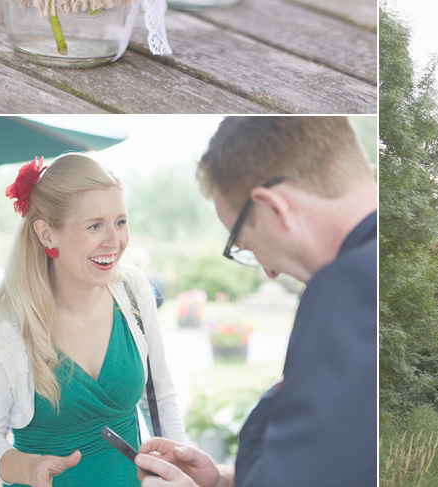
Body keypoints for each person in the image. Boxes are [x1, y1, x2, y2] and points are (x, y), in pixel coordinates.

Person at [132, 116, 377, 487]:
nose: (269, 272)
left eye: (245, 246)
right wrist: (224, 480)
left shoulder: (346, 289)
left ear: (274, 207)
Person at [0, 153, 184, 487]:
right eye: (95, 225)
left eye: (120, 222)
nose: (114, 242)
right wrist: (29, 468)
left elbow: (161, 399)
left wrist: (179, 470)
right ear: (47, 234)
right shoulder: (0, 327)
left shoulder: (133, 290)